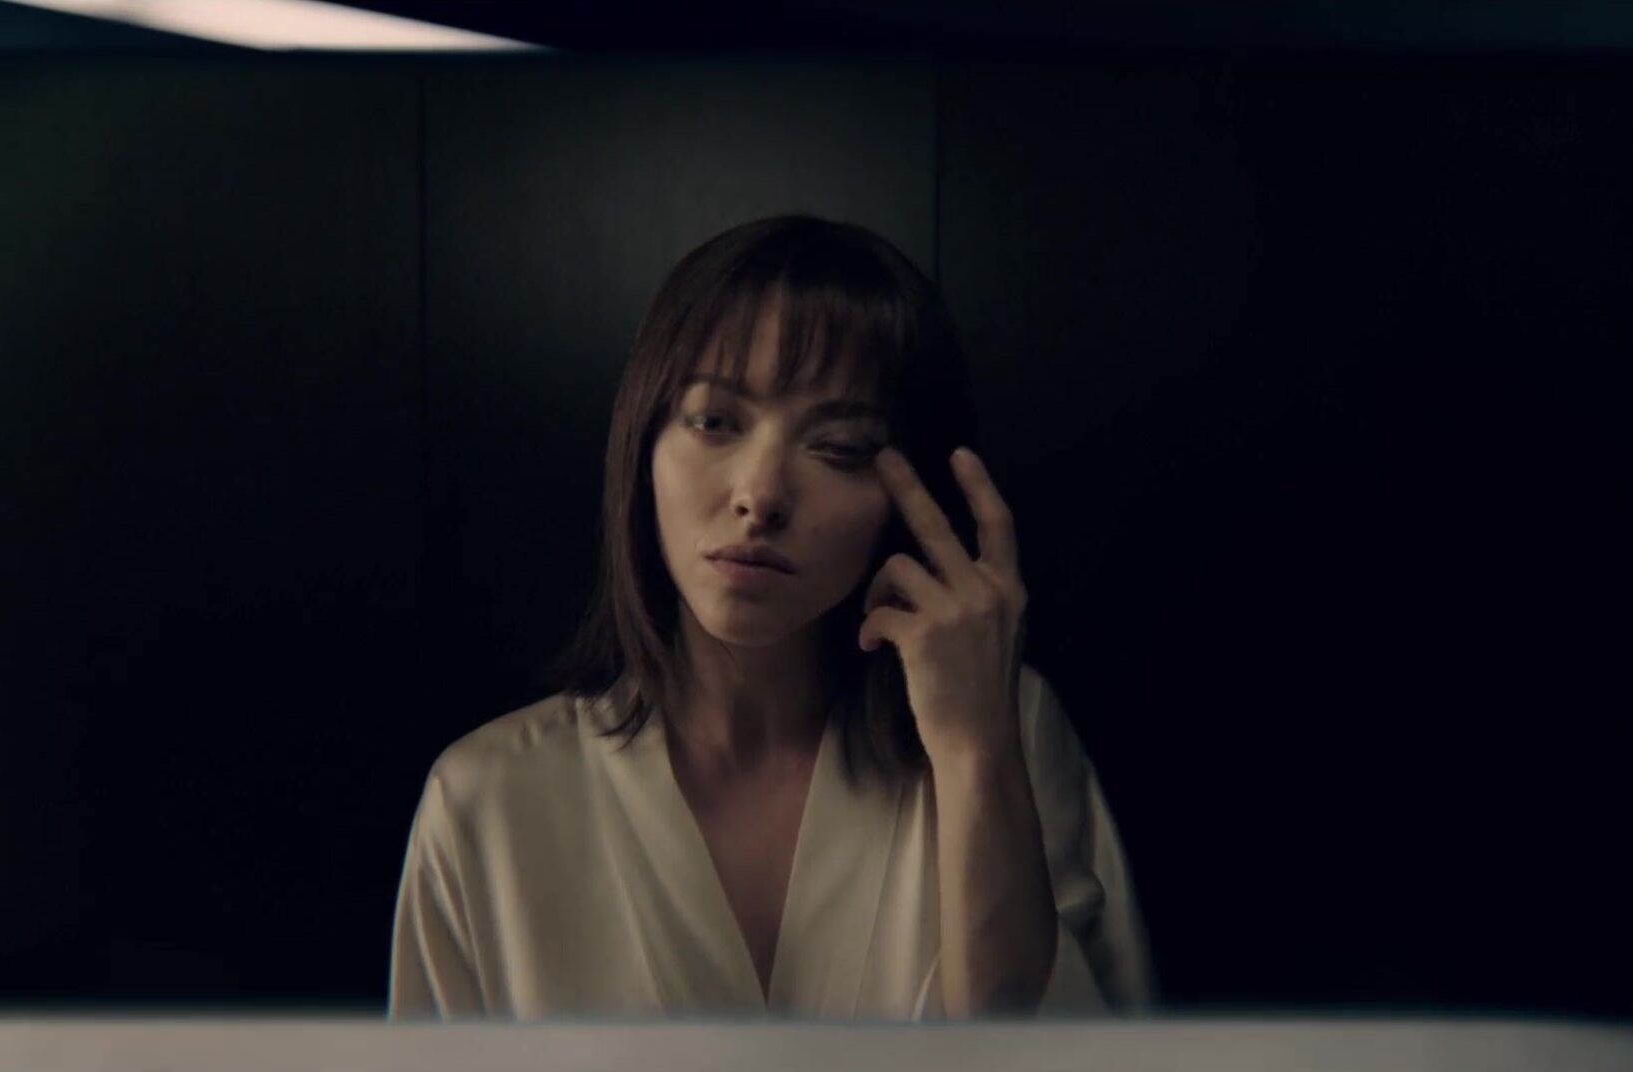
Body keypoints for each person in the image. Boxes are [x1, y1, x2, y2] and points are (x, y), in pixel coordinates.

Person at [388, 214, 1154, 1021]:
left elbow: (1034, 1051)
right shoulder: (488, 797)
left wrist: (974, 750)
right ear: (643, 446)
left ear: (910, 494)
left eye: (841, 447)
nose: (760, 495)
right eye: (714, 422)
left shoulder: (1008, 727)